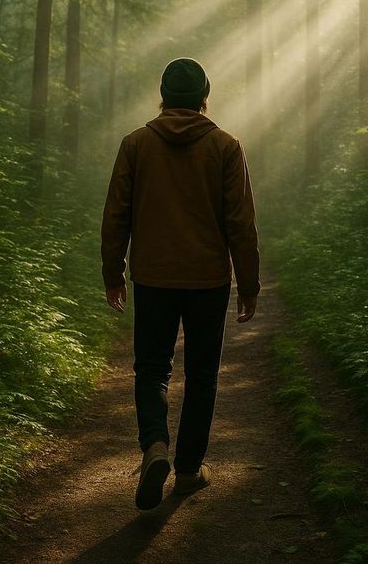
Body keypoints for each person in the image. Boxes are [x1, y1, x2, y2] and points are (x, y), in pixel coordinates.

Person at [101, 57, 260, 511]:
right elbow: (241, 224)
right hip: (209, 280)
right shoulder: (227, 147)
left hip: (153, 277)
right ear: (204, 97)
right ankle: (189, 470)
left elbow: (116, 217)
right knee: (202, 375)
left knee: (152, 368)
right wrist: (248, 284)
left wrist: (114, 273)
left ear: (164, 96)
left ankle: (155, 445)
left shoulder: (135, 145)